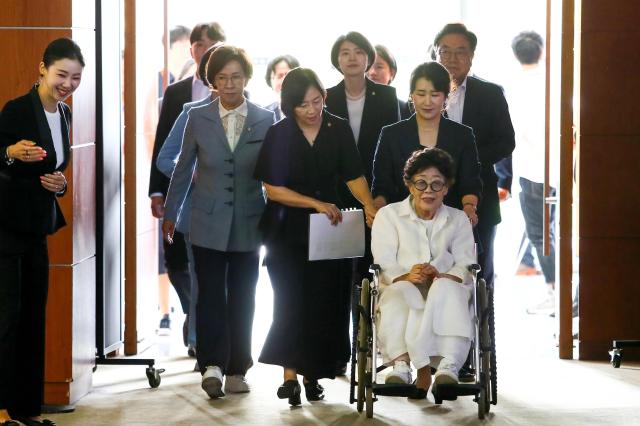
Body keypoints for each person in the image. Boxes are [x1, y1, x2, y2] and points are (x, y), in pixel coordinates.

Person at [255, 67, 377, 406]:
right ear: (289, 105)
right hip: (287, 231)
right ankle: (290, 377)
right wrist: (314, 203)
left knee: (324, 303)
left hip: (330, 229)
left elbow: (353, 174)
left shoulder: (337, 128)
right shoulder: (280, 133)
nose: (312, 110)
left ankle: (312, 377)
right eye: (303, 104)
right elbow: (272, 188)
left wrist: (368, 206)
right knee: (290, 302)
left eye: (317, 101)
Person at [163, 45, 275, 399]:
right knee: (209, 294)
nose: (230, 84)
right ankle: (211, 364)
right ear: (212, 81)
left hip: (249, 220)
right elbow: (182, 169)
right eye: (223, 78)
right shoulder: (197, 116)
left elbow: (272, 175)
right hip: (205, 221)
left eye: (236, 77)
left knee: (244, 295)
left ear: (246, 78)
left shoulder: (264, 118)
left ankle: (238, 367)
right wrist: (170, 214)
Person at [0, 37, 84, 426]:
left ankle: (26, 410)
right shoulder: (17, 109)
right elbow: (5, 157)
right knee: (6, 319)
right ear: (42, 69)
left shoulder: (64, 114)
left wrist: (59, 186)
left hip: (37, 228)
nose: (67, 83)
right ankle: (1, 410)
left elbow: (57, 169)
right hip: (6, 227)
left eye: (75, 77)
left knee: (34, 318)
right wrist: (8, 154)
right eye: (61, 74)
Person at [372, 147, 476, 400]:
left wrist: (442, 274)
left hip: (446, 283)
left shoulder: (458, 218)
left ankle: (448, 366)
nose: (428, 191)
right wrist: (406, 275)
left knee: (446, 290)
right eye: (421, 183)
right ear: (409, 185)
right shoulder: (389, 216)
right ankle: (400, 365)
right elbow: (384, 259)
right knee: (401, 292)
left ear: (446, 188)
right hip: (401, 282)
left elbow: (466, 261)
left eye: (436, 184)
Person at [325, 32, 400, 375]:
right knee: (340, 277)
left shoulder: (387, 96)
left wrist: (380, 196)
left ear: (369, 59)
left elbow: (392, 148)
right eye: (344, 52)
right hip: (337, 200)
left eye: (358, 52)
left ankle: (375, 348)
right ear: (336, 59)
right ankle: (339, 351)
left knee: (375, 272)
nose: (352, 58)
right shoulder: (324, 97)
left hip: (378, 197)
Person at [148, 22, 225, 349]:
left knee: (215, 271)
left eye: (212, 43)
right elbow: (163, 145)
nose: (204, 49)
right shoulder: (179, 94)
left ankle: (201, 334)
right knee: (181, 263)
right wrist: (158, 190)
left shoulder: (241, 97)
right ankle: (197, 328)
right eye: (199, 44)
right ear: (191, 49)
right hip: (186, 198)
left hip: (226, 202)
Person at [432, 23, 515, 298]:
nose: (452, 58)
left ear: (472, 56)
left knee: (480, 268)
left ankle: (482, 331)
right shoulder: (423, 94)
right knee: (437, 268)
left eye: (461, 51)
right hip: (432, 196)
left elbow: (506, 141)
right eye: (445, 51)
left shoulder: (490, 94)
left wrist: (470, 161)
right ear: (435, 54)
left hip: (480, 194)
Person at [372, 61, 482, 228]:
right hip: (403, 227)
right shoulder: (391, 134)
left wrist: (469, 208)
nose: (427, 101)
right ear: (411, 95)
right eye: (421, 94)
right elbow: (381, 185)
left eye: (435, 94)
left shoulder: (462, 135)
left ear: (446, 96)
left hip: (450, 226)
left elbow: (470, 183)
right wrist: (378, 208)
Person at [508, 31, 557, 313]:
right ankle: (559, 292)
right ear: (542, 51)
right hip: (556, 169)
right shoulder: (551, 81)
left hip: (531, 169)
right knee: (550, 233)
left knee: (540, 235)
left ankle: (554, 293)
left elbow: (516, 133)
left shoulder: (516, 86)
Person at [367, 44, 411, 119]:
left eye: (379, 67)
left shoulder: (404, 109)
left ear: (392, 73)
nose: (372, 72)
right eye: (368, 66)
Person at [264, 54, 299, 121]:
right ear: (270, 81)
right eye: (280, 76)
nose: (284, 80)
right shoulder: (263, 114)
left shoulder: (312, 110)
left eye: (289, 75)